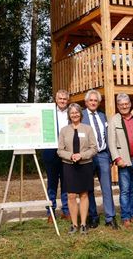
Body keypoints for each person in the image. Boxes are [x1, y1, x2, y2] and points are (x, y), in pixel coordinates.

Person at [57, 103, 97, 234]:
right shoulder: (64, 130)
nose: (74, 114)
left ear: (81, 114)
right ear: (69, 115)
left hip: (85, 165)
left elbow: (94, 148)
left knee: (84, 194)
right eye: (72, 113)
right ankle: (74, 224)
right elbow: (60, 150)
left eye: (77, 112)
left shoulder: (88, 129)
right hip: (69, 166)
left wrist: (82, 156)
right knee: (71, 195)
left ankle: (84, 224)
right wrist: (71, 156)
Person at [82, 89, 119, 229]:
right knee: (89, 188)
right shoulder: (81, 116)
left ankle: (110, 217)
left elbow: (108, 136)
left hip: (103, 155)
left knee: (107, 187)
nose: (93, 102)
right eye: (90, 100)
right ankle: (93, 216)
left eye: (95, 100)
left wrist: (110, 156)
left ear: (98, 102)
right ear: (86, 102)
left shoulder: (103, 116)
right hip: (88, 156)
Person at [108, 93, 133, 228]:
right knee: (125, 190)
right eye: (121, 104)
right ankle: (125, 216)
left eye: (126, 104)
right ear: (118, 106)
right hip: (124, 160)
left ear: (130, 104)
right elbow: (111, 142)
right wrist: (117, 158)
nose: (124, 106)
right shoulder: (114, 120)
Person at [42, 90, 70, 222]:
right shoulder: (48, 112)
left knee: (66, 182)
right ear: (56, 99)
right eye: (60, 98)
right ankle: (51, 212)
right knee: (52, 183)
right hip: (51, 151)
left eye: (65, 99)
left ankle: (66, 210)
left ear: (68, 100)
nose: (62, 101)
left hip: (67, 151)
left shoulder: (72, 113)